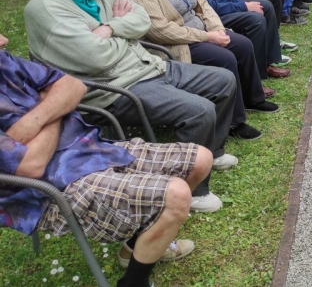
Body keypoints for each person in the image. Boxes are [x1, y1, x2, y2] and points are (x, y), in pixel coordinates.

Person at [24, 0, 238, 213]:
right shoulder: (47, 11)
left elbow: (142, 19)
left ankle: (213, 151)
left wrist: (111, 28)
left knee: (223, 80)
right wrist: (123, 26)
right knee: (199, 110)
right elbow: (98, 58)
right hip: (113, 88)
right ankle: (194, 191)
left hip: (147, 65)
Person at [0, 33, 209, 287]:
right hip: (47, 189)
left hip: (89, 149)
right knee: (176, 194)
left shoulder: (4, 63)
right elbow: (31, 166)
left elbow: (74, 86)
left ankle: (135, 246)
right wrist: (56, 109)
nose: (4, 40)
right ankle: (133, 282)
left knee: (201, 159)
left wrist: (37, 118)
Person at [114, 0, 273, 142]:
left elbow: (201, 2)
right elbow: (159, 30)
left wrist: (218, 28)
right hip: (174, 44)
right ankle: (234, 122)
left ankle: (253, 98)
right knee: (224, 57)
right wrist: (207, 37)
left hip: (200, 32)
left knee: (241, 44)